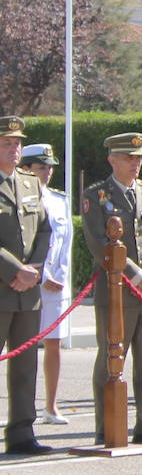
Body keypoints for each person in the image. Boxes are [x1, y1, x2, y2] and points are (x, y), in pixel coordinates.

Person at [81, 132, 142, 446]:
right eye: (129, 158)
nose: (136, 163)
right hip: (116, 291)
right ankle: (108, 426)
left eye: (139, 158)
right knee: (110, 362)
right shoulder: (96, 195)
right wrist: (135, 274)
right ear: (112, 160)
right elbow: (100, 244)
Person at [0, 116, 53, 455]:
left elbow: (45, 229)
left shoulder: (30, 182)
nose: (14, 149)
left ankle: (21, 433)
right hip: (2, 286)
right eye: (7, 143)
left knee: (25, 365)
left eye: (17, 143)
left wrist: (33, 268)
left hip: (28, 291)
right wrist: (14, 270)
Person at [21, 144, 71, 425]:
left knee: (54, 344)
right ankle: (22, 409)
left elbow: (65, 244)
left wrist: (61, 276)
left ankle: (51, 407)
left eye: (50, 167)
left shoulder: (59, 200)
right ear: (26, 169)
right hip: (27, 283)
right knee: (21, 348)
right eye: (41, 167)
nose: (47, 172)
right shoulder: (19, 198)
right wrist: (43, 274)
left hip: (56, 286)